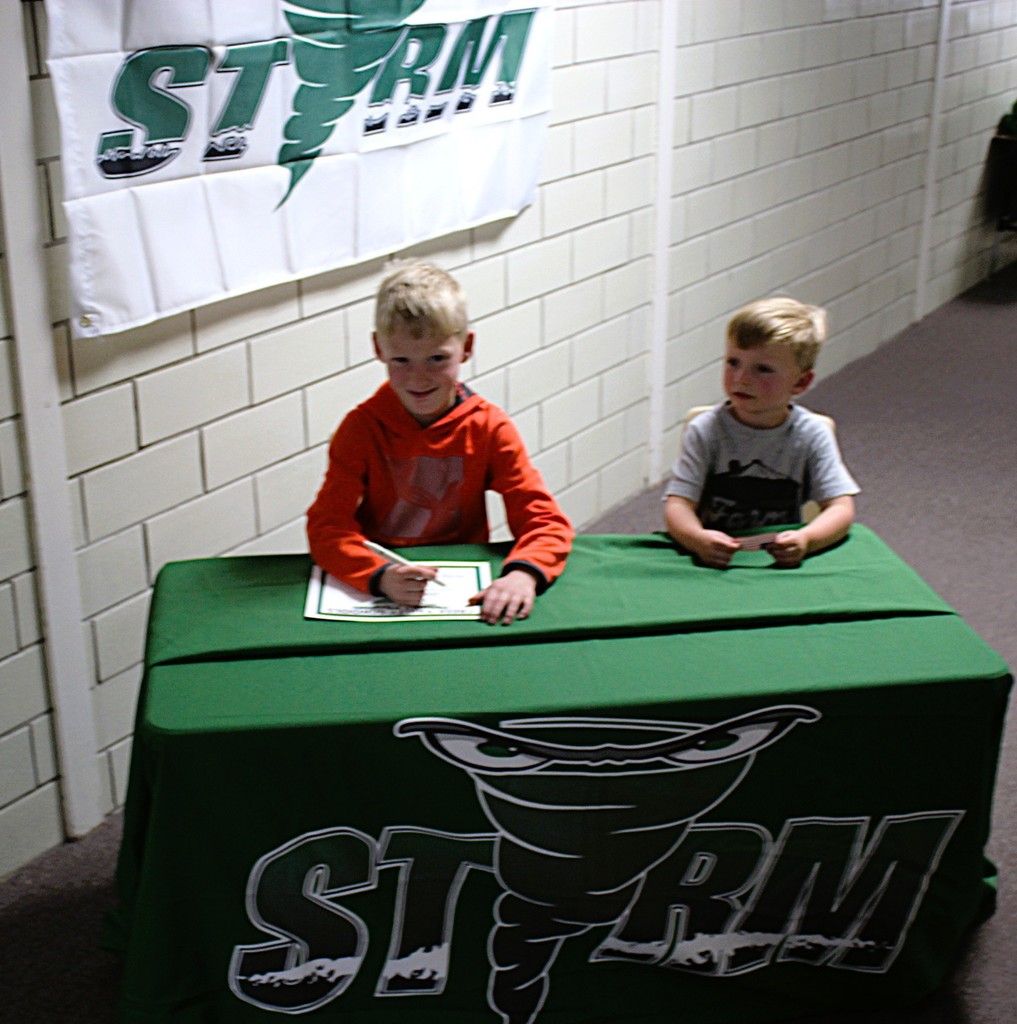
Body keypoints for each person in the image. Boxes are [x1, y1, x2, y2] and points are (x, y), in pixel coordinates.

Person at [307, 261, 574, 624]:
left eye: (437, 358)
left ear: (467, 347)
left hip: (461, 589)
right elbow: (327, 527)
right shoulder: (360, 429)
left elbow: (544, 520)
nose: (419, 378)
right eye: (401, 360)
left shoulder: (489, 427)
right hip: (389, 583)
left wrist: (522, 575)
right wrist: (377, 575)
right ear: (378, 348)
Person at [663, 296, 858, 569]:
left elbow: (840, 508)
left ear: (801, 382)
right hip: (714, 560)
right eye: (733, 362)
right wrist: (696, 539)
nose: (741, 378)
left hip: (777, 562)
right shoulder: (706, 430)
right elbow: (678, 504)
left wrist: (807, 540)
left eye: (762, 369)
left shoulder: (811, 433)